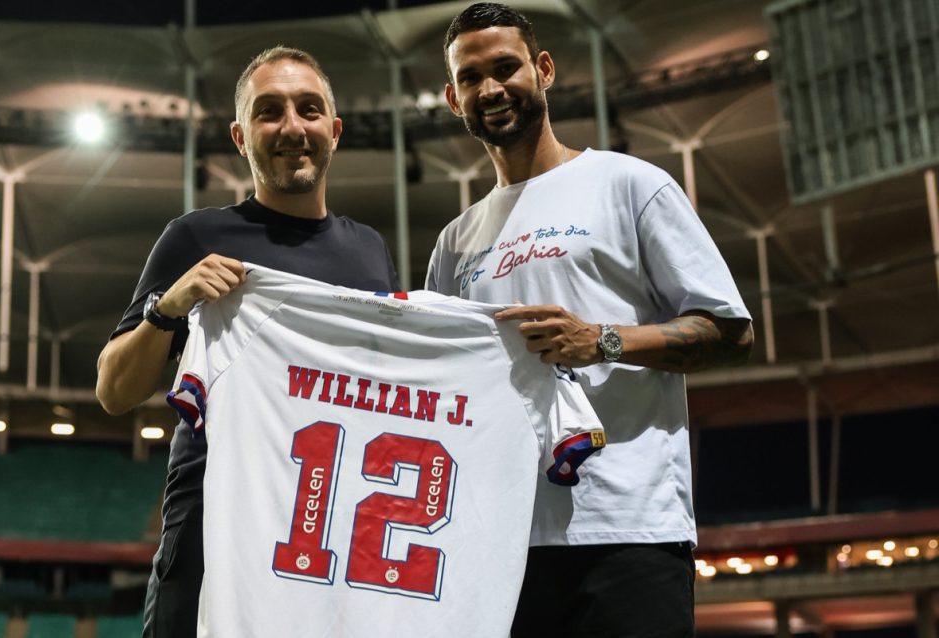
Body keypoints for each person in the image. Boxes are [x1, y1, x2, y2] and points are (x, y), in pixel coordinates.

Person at [426, 4, 754, 637]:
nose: (491, 89)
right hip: (503, 546)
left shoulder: (629, 184)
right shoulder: (455, 242)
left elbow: (732, 333)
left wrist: (599, 340)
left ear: (542, 69)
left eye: (506, 67)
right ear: (452, 97)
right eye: (471, 78)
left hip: (630, 529)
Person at [95, 46, 399, 638]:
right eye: (269, 112)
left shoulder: (370, 252)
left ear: (334, 131)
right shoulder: (195, 236)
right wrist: (169, 308)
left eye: (309, 110)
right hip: (214, 523)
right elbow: (112, 390)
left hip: (322, 526)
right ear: (240, 136)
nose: (292, 127)